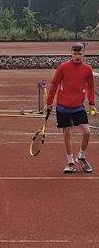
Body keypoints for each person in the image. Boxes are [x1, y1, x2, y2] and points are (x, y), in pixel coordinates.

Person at [45, 42, 97, 174]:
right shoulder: (63, 67)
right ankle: (70, 162)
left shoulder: (87, 69)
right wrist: (49, 101)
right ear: (71, 53)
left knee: (87, 132)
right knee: (66, 134)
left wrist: (92, 103)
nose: (77, 56)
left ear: (84, 53)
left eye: (80, 53)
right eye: (75, 53)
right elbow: (54, 84)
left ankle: (82, 157)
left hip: (78, 107)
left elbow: (90, 87)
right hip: (63, 107)